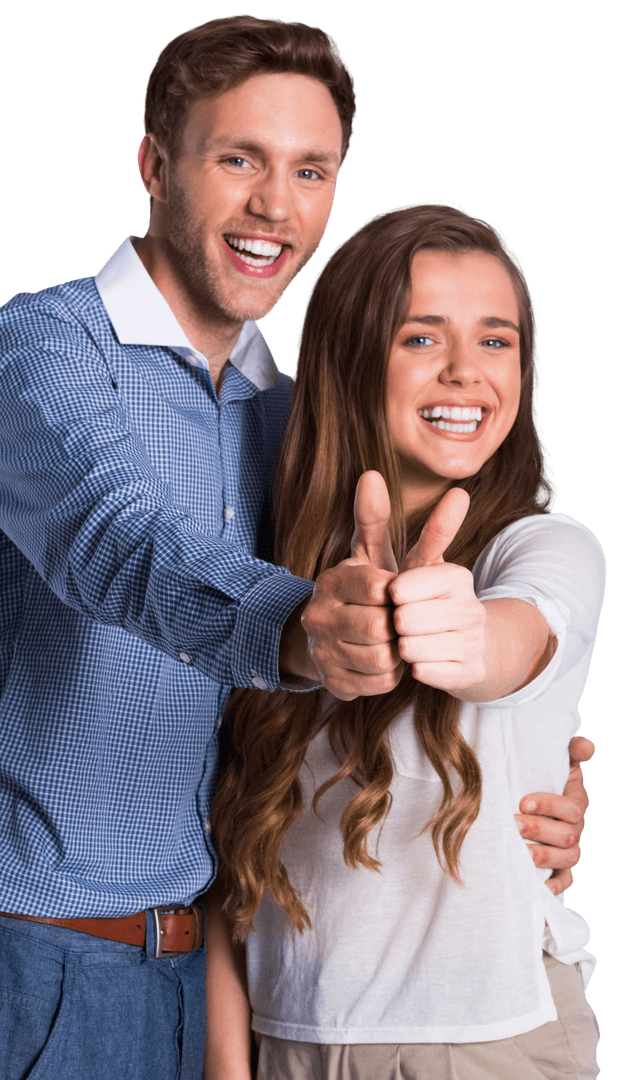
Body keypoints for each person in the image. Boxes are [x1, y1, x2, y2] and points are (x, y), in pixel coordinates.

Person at [0, 17, 590, 1080]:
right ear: (156, 166)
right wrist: (301, 629)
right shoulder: (39, 354)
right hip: (16, 967)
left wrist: (528, 781)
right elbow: (122, 546)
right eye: (239, 159)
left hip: (205, 980)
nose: (275, 205)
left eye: (312, 170)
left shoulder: (294, 428)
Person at [207, 204, 603, 1080]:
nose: (466, 372)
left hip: (485, 1045)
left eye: (496, 342)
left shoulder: (545, 548)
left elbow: (511, 641)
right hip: (286, 1044)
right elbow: (218, 861)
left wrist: (446, 631)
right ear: (351, 361)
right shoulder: (255, 583)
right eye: (421, 338)